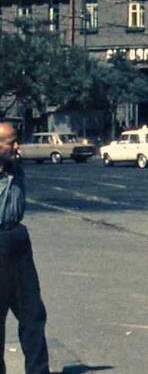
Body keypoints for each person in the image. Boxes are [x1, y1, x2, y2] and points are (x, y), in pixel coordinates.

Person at [0, 121, 51, 374]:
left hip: (18, 241)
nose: (17, 146)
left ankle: (38, 370)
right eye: (11, 142)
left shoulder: (16, 168)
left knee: (32, 313)